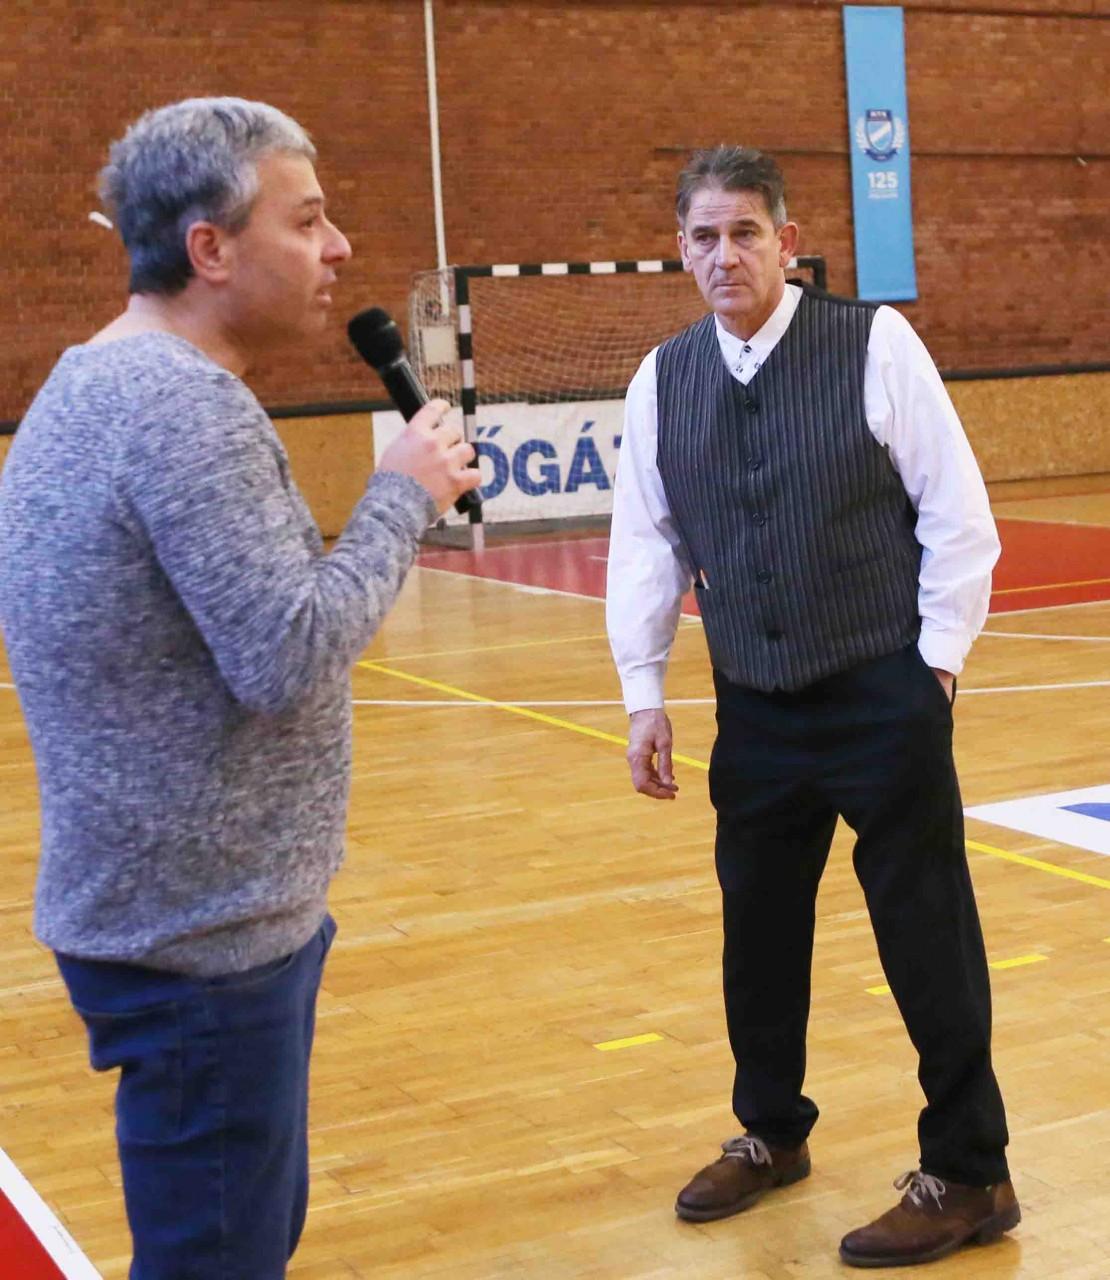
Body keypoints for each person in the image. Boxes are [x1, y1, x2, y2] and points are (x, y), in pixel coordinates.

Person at [0, 97, 479, 1278]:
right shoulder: (183, 408)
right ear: (209, 248)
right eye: (306, 220)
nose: (339, 248)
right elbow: (288, 651)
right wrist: (404, 493)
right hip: (199, 943)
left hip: (168, 913)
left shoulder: (95, 379)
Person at [605, 145, 1019, 1269]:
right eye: (704, 236)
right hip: (755, 704)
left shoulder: (874, 344)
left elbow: (957, 512)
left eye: (745, 232)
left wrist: (935, 667)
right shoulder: (663, 379)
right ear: (681, 249)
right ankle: (771, 1130)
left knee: (926, 933)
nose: (724, 254)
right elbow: (646, 544)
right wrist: (643, 692)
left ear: (787, 243)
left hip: (882, 689)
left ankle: (971, 1171)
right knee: (759, 929)